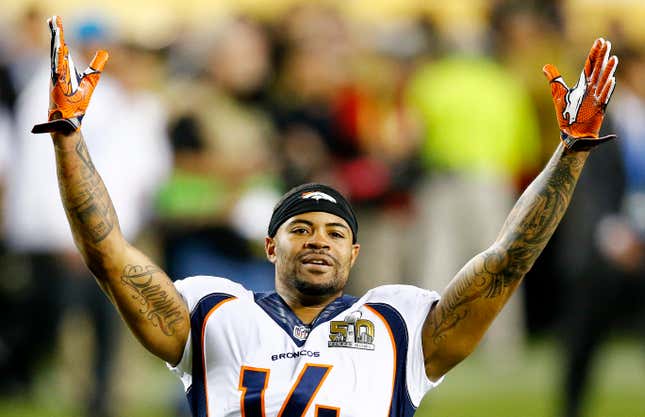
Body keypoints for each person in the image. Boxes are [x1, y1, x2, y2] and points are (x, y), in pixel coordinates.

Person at [33, 16, 618, 416]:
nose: (319, 240)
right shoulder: (217, 313)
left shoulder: (397, 324)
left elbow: (504, 263)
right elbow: (109, 257)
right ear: (270, 246)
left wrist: (568, 154)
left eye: (336, 232)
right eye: (301, 229)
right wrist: (67, 138)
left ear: (354, 253)